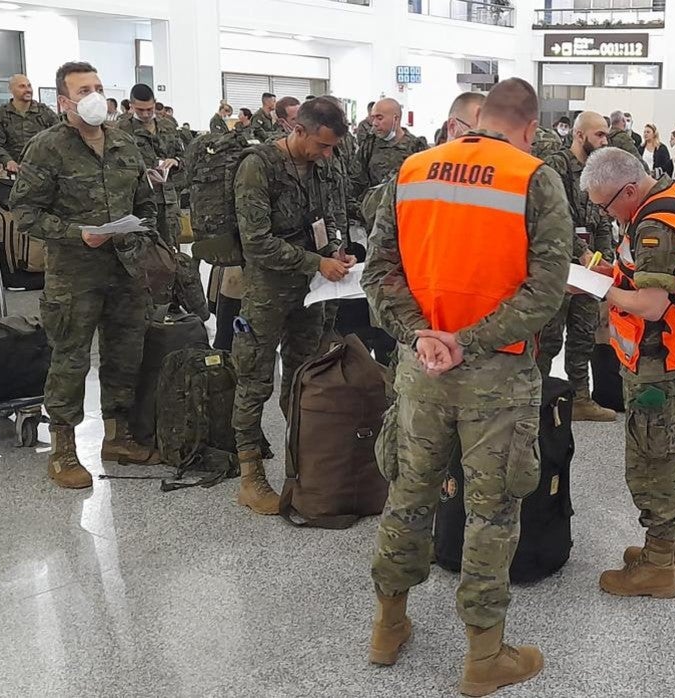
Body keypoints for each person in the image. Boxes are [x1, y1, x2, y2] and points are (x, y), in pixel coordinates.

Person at [363, 77, 569, 696]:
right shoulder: (534, 179)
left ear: (474, 119)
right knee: (492, 511)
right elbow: (546, 289)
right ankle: (484, 657)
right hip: (497, 379)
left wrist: (423, 333)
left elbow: (380, 271)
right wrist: (470, 341)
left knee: (408, 495)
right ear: (529, 127)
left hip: (420, 371)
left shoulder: (413, 171)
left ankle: (387, 626)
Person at [10, 61, 161, 489]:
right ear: (63, 101)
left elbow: (145, 200)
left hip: (125, 269)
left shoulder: (124, 144)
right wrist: (76, 233)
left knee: (124, 354)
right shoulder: (47, 147)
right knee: (71, 359)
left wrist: (141, 229)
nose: (93, 95)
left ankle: (118, 437)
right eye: (82, 90)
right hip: (74, 275)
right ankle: (63, 449)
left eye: (97, 86)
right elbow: (25, 212)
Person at [579, 147, 675, 599]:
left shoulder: (655, 226)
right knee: (670, 454)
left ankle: (656, 565)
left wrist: (602, 290)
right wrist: (610, 272)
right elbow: (644, 277)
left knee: (650, 463)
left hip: (659, 363)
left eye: (606, 204)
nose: (604, 212)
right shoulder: (672, 196)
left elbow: (651, 305)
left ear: (629, 189)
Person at [230, 98, 353, 515]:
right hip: (268, 290)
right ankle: (250, 475)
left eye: (332, 147)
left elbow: (330, 218)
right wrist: (317, 261)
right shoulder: (258, 166)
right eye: (322, 145)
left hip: (312, 290)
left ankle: (301, 463)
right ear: (297, 130)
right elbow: (257, 242)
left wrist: (336, 250)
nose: (327, 154)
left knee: (304, 375)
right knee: (254, 379)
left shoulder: (324, 166)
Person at [537, 110, 616, 423]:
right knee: (550, 337)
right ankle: (538, 396)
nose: (604, 141)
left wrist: (605, 259)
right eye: (599, 135)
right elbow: (557, 219)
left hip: (589, 267)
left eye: (606, 135)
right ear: (580, 135)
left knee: (583, 334)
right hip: (559, 264)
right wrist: (582, 252)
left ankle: (580, 398)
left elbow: (603, 219)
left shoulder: (598, 172)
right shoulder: (556, 166)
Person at [117, 83, 183, 248]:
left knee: (170, 250)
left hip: (168, 201)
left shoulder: (168, 126)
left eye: (149, 109)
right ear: (131, 106)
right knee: (143, 250)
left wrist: (176, 161)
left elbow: (184, 156)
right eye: (140, 110)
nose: (146, 114)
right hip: (138, 202)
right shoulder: (121, 130)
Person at [351, 98, 428, 205]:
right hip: (373, 214)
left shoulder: (416, 147)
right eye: (373, 118)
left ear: (395, 119)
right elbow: (356, 182)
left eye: (379, 118)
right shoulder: (370, 145)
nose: (375, 123)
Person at [0, 74, 59, 176]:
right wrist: (7, 161)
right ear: (11, 90)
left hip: (44, 171)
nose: (28, 89)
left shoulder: (45, 112)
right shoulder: (1, 115)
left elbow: (60, 137)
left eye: (29, 86)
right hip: (15, 173)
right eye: (22, 86)